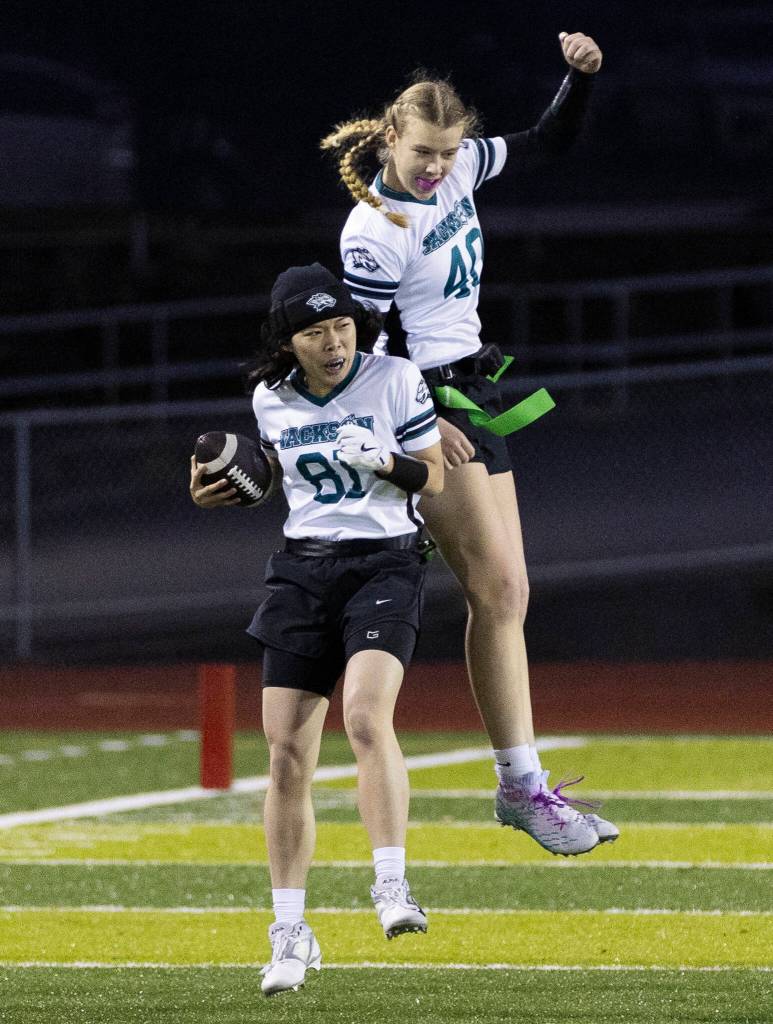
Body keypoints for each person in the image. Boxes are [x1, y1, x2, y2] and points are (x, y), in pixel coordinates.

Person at [320, 32, 618, 856]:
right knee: (492, 589)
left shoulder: (465, 166)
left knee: (510, 594)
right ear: (389, 137)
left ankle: (522, 783)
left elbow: (547, 140)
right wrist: (418, 420)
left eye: (449, 153)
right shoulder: (373, 229)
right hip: (423, 404)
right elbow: (359, 350)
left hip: (472, 392)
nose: (439, 168)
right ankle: (519, 787)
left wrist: (577, 78)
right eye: (424, 153)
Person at [190, 263, 443, 996]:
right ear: (289, 340)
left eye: (340, 325)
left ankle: (391, 884)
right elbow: (276, 479)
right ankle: (290, 931)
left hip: (384, 566)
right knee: (283, 758)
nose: (332, 341)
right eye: (314, 331)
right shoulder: (269, 398)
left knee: (366, 717)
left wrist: (387, 462)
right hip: (303, 571)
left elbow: (437, 477)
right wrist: (222, 489)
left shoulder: (392, 378)